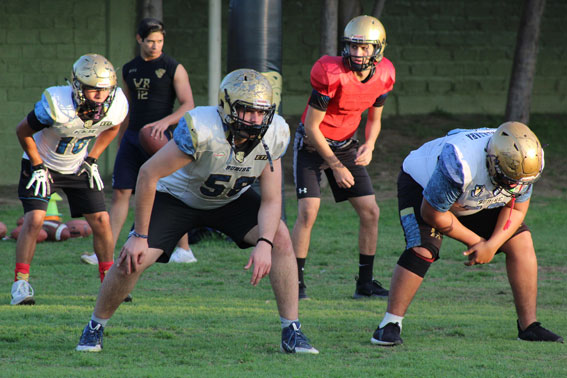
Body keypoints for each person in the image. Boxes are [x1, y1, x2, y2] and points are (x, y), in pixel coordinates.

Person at [76, 69, 319, 354]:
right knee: (134, 258)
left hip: (230, 199)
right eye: (247, 111)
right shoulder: (202, 127)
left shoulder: (275, 132)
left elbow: (271, 198)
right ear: (228, 107)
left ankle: (292, 330)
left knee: (280, 239)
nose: (255, 120)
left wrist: (265, 243)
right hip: (178, 197)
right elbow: (147, 174)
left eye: (260, 112)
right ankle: (95, 326)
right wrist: (140, 234)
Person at [372, 122, 563, 345]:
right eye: (509, 178)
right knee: (424, 248)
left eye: (518, 181)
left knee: (521, 241)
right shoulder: (460, 162)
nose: (513, 186)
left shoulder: (527, 160)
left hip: (472, 195)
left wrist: (492, 245)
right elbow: (432, 213)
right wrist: (477, 242)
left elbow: (518, 208)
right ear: (493, 160)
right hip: (423, 188)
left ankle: (529, 326)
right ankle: (389, 325)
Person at [11, 54, 128, 305]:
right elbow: (23, 130)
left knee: (101, 219)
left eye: (105, 89)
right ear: (77, 86)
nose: (100, 95)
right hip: (41, 164)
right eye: (93, 89)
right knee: (35, 220)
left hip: (77, 165)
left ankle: (109, 281)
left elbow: (114, 127)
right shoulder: (56, 103)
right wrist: (38, 164)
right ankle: (20, 283)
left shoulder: (116, 103)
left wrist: (93, 158)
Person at [291, 15, 394, 300]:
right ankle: (295, 283)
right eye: (352, 46)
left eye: (364, 48)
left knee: (371, 212)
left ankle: (365, 283)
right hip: (313, 146)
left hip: (346, 145)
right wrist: (335, 166)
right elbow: (312, 128)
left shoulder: (384, 75)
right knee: (308, 212)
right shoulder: (330, 73)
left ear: (378, 49)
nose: (357, 53)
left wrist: (370, 144)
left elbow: (374, 117)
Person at [80, 18, 196, 266]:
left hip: (159, 138)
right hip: (133, 136)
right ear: (139, 39)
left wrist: (165, 123)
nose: (155, 46)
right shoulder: (128, 69)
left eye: (160, 41)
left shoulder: (174, 67)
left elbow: (188, 105)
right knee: (121, 192)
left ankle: (184, 250)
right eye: (151, 41)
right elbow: (128, 107)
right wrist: (121, 135)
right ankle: (105, 252)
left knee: (172, 189)